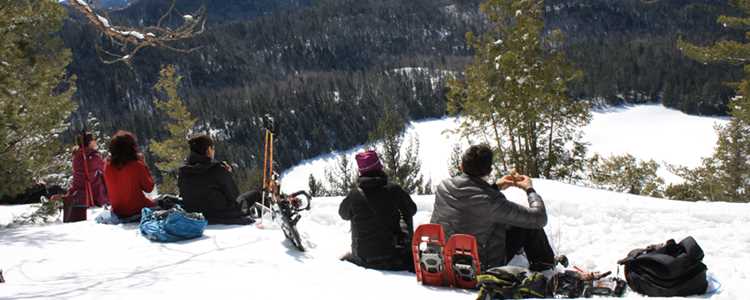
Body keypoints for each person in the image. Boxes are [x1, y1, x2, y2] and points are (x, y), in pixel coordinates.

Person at [430, 144, 560, 272]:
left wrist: (494, 187)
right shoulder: (492, 201)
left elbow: (470, 203)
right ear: (489, 171)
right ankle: (547, 270)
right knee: (527, 225)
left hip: (445, 259)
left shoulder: (443, 188)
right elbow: (539, 218)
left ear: (461, 166)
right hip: (480, 265)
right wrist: (529, 189)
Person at [339, 150, 417, 271]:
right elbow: (412, 209)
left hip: (362, 258)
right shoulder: (394, 190)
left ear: (361, 172)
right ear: (379, 167)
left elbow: (343, 214)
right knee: (406, 212)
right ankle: (406, 248)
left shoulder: (354, 195)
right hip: (394, 257)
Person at [178, 135, 258, 225]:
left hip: (194, 214)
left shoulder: (183, 170)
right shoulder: (218, 169)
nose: (213, 152)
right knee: (256, 194)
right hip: (221, 214)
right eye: (213, 149)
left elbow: (183, 194)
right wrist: (227, 174)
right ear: (208, 150)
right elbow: (234, 196)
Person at [103, 131, 156, 219]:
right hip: (137, 209)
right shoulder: (136, 165)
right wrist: (143, 164)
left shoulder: (107, 166)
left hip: (117, 210)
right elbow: (149, 188)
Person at [62, 132, 109, 222]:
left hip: (79, 191)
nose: (95, 142)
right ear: (89, 143)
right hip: (93, 194)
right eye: (93, 140)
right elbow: (105, 169)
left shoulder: (76, 156)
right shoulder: (93, 157)